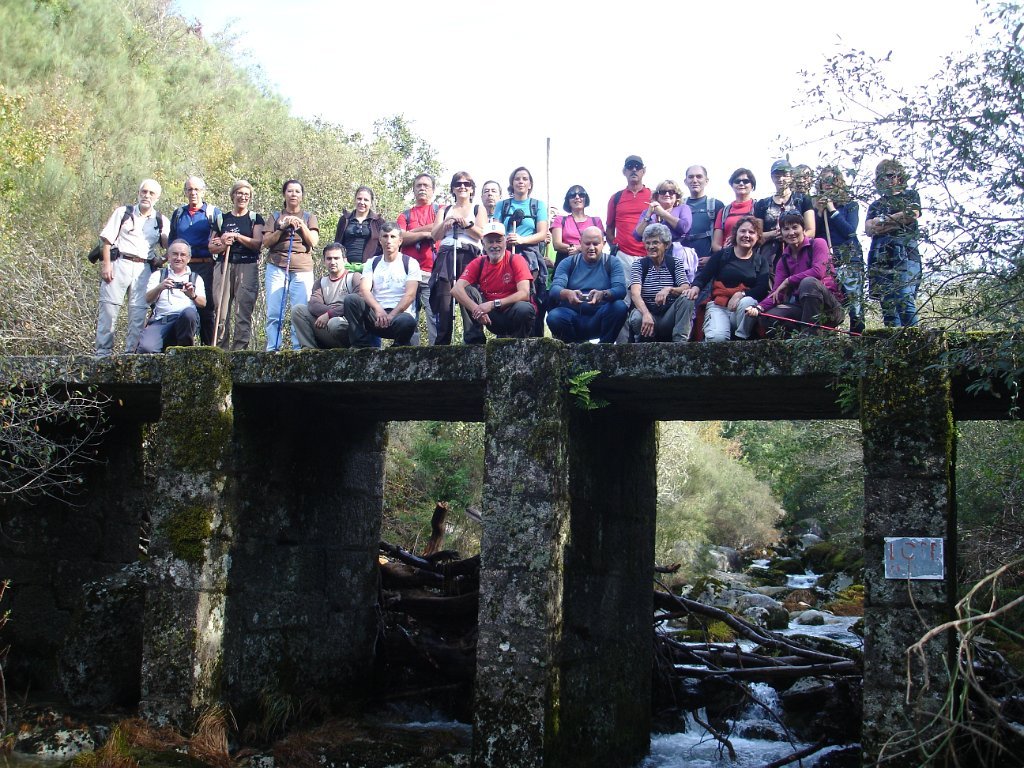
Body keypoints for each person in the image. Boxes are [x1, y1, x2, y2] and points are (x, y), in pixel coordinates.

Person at [95, 179, 169, 357]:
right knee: (109, 309)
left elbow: (172, 247)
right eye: (144, 192)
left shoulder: (160, 220)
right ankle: (103, 353)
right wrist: (106, 265)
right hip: (120, 263)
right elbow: (107, 241)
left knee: (138, 313)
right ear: (138, 193)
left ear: (157, 198)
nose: (147, 196)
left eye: (151, 193)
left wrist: (162, 259)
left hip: (144, 268)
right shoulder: (123, 213)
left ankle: (131, 355)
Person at [745, 212, 844, 336]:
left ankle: (809, 338)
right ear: (781, 233)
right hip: (802, 309)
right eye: (786, 229)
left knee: (808, 283)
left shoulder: (818, 243)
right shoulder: (784, 260)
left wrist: (789, 280)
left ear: (803, 229)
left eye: (795, 227)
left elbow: (818, 271)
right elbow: (777, 293)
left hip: (829, 308)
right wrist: (758, 308)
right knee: (767, 317)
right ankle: (796, 341)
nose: (791, 233)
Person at [484, 167, 549, 336]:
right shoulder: (503, 205)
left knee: (532, 293)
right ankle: (504, 332)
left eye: (525, 179)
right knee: (505, 288)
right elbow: (495, 229)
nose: (521, 182)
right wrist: (505, 240)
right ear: (511, 183)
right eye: (517, 179)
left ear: (530, 184)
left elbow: (542, 233)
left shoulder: (538, 205)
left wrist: (521, 239)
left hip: (530, 255)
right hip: (505, 254)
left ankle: (533, 334)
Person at [685, 216, 771, 342]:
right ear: (736, 234)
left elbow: (762, 289)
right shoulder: (722, 255)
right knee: (717, 339)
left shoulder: (761, 261)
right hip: (719, 305)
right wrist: (695, 288)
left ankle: (741, 340)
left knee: (747, 301)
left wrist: (741, 294)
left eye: (751, 232)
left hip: (743, 311)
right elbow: (704, 276)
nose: (746, 235)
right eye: (743, 231)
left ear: (758, 237)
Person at [451, 221, 535, 342]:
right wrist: (476, 309)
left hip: (511, 312)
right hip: (490, 317)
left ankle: (520, 343)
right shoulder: (479, 262)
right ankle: (475, 342)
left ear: (505, 243)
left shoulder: (516, 260)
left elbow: (524, 293)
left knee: (525, 308)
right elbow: (456, 289)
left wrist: (493, 304)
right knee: (467, 291)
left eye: (498, 241)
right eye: (490, 242)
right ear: (483, 244)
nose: (495, 245)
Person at [263, 179, 320, 351]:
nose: (293, 194)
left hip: (302, 268)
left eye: (297, 191)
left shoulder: (309, 217)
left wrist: (301, 225)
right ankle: (273, 348)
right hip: (277, 266)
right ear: (284, 194)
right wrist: (282, 227)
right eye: (290, 191)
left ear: (302, 196)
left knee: (300, 311)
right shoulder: (275, 216)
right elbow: (266, 242)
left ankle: (298, 348)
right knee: (274, 312)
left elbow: (313, 242)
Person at [343, 223, 420, 348]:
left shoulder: (410, 263)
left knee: (407, 321)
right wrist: (378, 310)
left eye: (393, 237)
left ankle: (398, 347)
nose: (388, 241)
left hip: (399, 316)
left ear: (400, 241)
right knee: (351, 300)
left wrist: (391, 315)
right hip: (376, 316)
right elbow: (364, 290)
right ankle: (361, 347)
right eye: (385, 236)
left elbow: (410, 295)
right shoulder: (372, 262)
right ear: (380, 240)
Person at [208, 180, 264, 350]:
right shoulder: (221, 219)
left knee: (243, 311)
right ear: (233, 195)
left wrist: (237, 236)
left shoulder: (254, 218)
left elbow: (258, 243)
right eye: (239, 193)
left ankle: (239, 352)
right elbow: (211, 246)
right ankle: (220, 351)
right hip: (224, 265)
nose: (243, 197)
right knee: (220, 310)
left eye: (246, 194)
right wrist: (223, 242)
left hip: (247, 265)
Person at [546, 226, 627, 344]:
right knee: (554, 316)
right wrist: (567, 293)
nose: (591, 248)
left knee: (619, 307)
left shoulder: (612, 262)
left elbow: (620, 289)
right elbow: (554, 289)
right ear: (580, 243)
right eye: (587, 244)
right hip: (573, 316)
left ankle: (605, 347)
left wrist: (603, 294)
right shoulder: (568, 262)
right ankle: (573, 348)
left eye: (596, 244)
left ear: (603, 244)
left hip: (600, 317)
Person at [428, 172, 483, 345]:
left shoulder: (477, 208)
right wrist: (446, 224)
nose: (462, 187)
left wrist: (467, 225)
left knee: (469, 293)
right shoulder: (444, 210)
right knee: (443, 299)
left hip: (469, 255)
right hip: (446, 255)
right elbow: (434, 236)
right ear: (452, 188)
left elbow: (481, 234)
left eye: (467, 184)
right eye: (458, 184)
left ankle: (474, 342)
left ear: (472, 188)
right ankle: (442, 344)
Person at [866, 159, 921, 328]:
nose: (886, 180)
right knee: (888, 306)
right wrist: (897, 220)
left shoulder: (910, 195)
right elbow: (869, 229)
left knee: (904, 298)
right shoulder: (875, 205)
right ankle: (894, 343)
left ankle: (915, 339)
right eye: (881, 177)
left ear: (899, 176)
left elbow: (911, 214)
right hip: (880, 256)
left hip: (905, 253)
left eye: (890, 175)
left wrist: (881, 221)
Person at [168, 176, 220, 345]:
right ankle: (178, 346)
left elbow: (218, 239)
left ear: (203, 191)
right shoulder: (178, 214)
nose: (193, 193)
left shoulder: (213, 213)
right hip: (181, 266)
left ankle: (208, 349)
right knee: (176, 304)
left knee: (206, 308)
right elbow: (172, 241)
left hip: (205, 266)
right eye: (190, 189)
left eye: (196, 189)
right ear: (185, 192)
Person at [815, 167, 865, 333]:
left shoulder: (850, 206)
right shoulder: (818, 210)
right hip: (827, 262)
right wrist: (820, 213)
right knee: (828, 303)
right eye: (824, 181)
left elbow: (849, 231)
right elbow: (814, 235)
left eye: (832, 180)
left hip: (849, 260)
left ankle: (857, 338)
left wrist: (832, 210)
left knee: (855, 305)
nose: (828, 184)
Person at [627, 223, 695, 342]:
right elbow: (635, 294)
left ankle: (680, 344)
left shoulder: (675, 263)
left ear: (666, 245)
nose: (651, 246)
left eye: (655, 243)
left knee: (687, 298)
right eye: (648, 243)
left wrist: (669, 289)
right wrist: (646, 314)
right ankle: (644, 346)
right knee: (637, 317)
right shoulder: (639, 265)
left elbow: (686, 287)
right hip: (648, 315)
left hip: (669, 317)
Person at [137, 240, 206, 353]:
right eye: (175, 254)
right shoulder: (158, 275)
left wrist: (192, 295)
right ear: (168, 257)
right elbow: (148, 299)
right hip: (161, 320)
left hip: (185, 320)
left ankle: (185, 353)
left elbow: (203, 303)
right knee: (146, 349)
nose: (178, 258)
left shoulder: (195, 278)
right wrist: (160, 287)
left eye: (183, 255)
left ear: (188, 258)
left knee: (189, 313)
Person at [291, 243, 361, 349]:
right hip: (326, 328)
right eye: (329, 259)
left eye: (336, 258)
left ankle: (352, 349)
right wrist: (329, 314)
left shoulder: (354, 278)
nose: (332, 262)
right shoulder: (320, 282)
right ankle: (309, 351)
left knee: (335, 323)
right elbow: (313, 305)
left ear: (344, 260)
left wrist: (330, 314)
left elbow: (359, 302)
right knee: (298, 310)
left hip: (349, 329)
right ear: (324, 261)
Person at [397, 173, 440, 345]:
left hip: (433, 272)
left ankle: (436, 352)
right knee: (408, 314)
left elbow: (439, 227)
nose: (422, 188)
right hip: (408, 273)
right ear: (413, 190)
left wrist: (412, 232)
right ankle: (410, 352)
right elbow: (399, 237)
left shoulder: (439, 210)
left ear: (433, 190)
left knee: (434, 315)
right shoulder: (405, 215)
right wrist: (425, 234)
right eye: (418, 186)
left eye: (426, 185)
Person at [753, 160, 815, 269]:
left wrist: (791, 236)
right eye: (777, 176)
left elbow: (811, 231)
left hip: (799, 252)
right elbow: (757, 235)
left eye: (785, 175)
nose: (781, 179)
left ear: (791, 176)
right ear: (772, 178)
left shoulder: (803, 200)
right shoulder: (762, 204)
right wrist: (774, 234)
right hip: (770, 256)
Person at [606, 155, 651, 259]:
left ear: (643, 171)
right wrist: (615, 246)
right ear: (624, 171)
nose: (634, 169)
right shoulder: (615, 198)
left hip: (649, 256)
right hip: (622, 256)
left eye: (638, 166)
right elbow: (609, 228)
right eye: (630, 166)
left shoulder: (653, 196)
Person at [551, 185, 604, 267]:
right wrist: (576, 249)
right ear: (568, 200)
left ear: (586, 199)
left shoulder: (596, 221)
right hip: (566, 264)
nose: (577, 197)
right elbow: (557, 245)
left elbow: (601, 243)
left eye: (581, 194)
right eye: (572, 195)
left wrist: (579, 249)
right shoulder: (560, 220)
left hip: (591, 264)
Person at [682, 165, 724, 266]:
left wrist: (712, 259)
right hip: (682, 265)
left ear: (706, 180)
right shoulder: (679, 205)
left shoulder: (716, 205)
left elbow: (722, 238)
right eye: (691, 177)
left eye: (699, 176)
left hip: (706, 266)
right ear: (685, 181)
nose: (694, 180)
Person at [333, 186, 383, 266]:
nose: (362, 202)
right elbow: (337, 244)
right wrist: (342, 261)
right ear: (355, 200)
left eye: (366, 200)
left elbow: (383, 245)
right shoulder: (345, 219)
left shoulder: (378, 221)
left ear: (371, 203)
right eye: (359, 199)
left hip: (370, 266)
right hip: (346, 266)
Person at [633, 179, 693, 246]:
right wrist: (648, 215)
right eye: (663, 192)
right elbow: (637, 236)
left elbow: (684, 228)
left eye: (671, 192)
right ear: (657, 195)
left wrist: (663, 214)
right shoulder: (647, 212)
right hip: (654, 250)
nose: (667, 194)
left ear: (677, 196)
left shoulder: (683, 208)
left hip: (677, 250)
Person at [712, 168, 758, 253]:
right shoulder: (724, 212)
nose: (741, 183)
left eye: (746, 181)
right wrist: (725, 250)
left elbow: (761, 235)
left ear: (752, 185)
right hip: (727, 257)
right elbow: (715, 245)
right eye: (737, 181)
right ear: (732, 185)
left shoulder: (758, 207)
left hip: (751, 256)